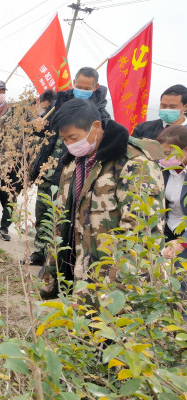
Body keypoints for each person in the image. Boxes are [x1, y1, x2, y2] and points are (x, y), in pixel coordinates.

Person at [39, 99, 165, 298]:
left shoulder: (134, 163)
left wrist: (118, 288)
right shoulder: (74, 162)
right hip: (76, 275)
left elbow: (142, 232)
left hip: (110, 282)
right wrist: (51, 273)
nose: (70, 145)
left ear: (96, 126)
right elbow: (61, 221)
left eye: (73, 137)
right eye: (65, 140)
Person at [30, 67, 111, 265]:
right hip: (50, 167)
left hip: (75, 173)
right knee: (43, 211)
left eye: (86, 87)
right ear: (73, 82)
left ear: (95, 87)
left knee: (65, 218)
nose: (81, 90)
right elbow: (46, 132)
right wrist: (39, 126)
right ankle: (39, 252)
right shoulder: (59, 103)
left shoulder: (100, 113)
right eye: (78, 86)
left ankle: (57, 258)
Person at [156, 125, 187, 259]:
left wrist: (183, 242)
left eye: (168, 154)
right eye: (162, 153)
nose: (164, 158)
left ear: (185, 151)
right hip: (169, 228)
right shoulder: (163, 172)